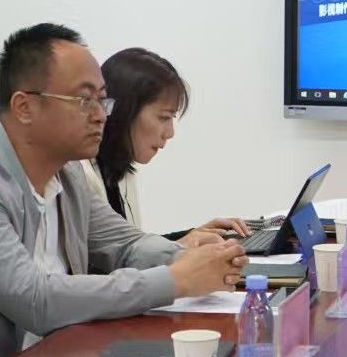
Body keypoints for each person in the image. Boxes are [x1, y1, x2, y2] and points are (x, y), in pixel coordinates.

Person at [0, 24, 246, 357]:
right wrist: (176, 279)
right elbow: (37, 301)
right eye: (84, 101)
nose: (101, 116)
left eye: (102, 100)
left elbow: (125, 244)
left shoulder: (66, 173)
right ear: (25, 107)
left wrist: (193, 259)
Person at [81, 46, 250, 245]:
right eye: (164, 117)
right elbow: (106, 261)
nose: (170, 133)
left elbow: (130, 249)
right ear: (123, 112)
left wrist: (193, 235)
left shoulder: (121, 169)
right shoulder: (81, 176)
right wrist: (181, 245)